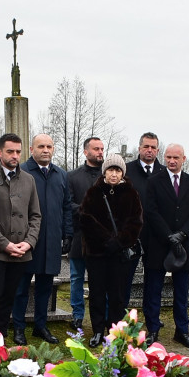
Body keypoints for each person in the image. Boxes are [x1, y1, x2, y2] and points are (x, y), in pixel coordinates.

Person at [0, 134, 41, 340]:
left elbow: (35, 215)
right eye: (10, 151)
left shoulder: (29, 180)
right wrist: (4, 244)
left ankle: (0, 339)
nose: (15, 156)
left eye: (18, 152)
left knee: (8, 298)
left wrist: (29, 242)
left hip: (21, 251)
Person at [12, 134, 72, 345]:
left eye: (49, 146)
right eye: (41, 146)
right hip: (27, 240)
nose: (46, 150)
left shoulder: (61, 175)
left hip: (51, 240)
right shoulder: (22, 172)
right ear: (31, 149)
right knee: (21, 288)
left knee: (45, 288)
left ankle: (40, 325)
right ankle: (18, 327)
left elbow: (67, 206)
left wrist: (67, 234)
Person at [143, 143, 189, 348]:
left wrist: (182, 234)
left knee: (181, 291)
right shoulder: (154, 181)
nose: (171, 161)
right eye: (168, 157)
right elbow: (151, 211)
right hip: (159, 243)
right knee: (153, 290)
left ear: (183, 159)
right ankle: (152, 329)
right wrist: (169, 236)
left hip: (184, 244)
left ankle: (182, 331)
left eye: (176, 158)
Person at [79, 154, 143, 347]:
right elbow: (85, 219)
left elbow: (136, 222)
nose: (114, 174)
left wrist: (120, 241)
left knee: (117, 296)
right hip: (96, 253)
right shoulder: (94, 192)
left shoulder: (131, 194)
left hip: (119, 255)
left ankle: (114, 330)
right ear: (104, 172)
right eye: (110, 170)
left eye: (117, 170)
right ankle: (98, 330)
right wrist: (105, 240)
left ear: (122, 173)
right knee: (97, 293)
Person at [67, 137, 104, 333]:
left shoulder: (108, 175)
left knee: (100, 279)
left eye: (102, 149)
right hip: (79, 235)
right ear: (85, 152)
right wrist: (86, 210)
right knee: (76, 278)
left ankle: (102, 316)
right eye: (96, 149)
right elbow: (68, 203)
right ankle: (77, 315)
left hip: (102, 238)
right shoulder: (72, 176)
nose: (100, 152)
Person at [123, 132, 164, 305]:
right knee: (124, 280)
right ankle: (120, 316)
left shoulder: (164, 173)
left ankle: (152, 316)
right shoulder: (126, 170)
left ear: (158, 150)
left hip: (155, 236)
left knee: (154, 282)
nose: (149, 150)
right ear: (139, 148)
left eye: (153, 147)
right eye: (146, 146)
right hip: (131, 235)